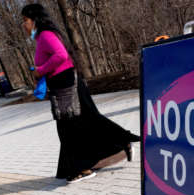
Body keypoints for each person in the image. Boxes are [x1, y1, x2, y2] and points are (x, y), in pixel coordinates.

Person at [21, 4, 139, 183]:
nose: (24, 25)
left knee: (71, 127)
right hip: (63, 83)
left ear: (35, 20)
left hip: (66, 84)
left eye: (25, 20)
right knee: (84, 122)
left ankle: (82, 167)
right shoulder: (42, 37)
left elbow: (60, 55)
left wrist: (40, 70)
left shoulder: (45, 35)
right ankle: (116, 147)